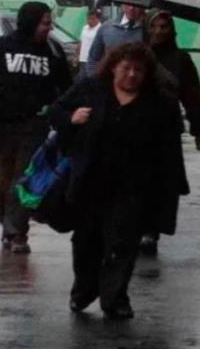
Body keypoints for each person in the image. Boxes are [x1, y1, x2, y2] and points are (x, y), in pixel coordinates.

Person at [51, 43, 188, 319]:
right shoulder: (91, 89)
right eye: (126, 68)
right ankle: (84, 290)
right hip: (90, 182)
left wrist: (171, 187)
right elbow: (56, 111)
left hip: (133, 187)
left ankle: (115, 298)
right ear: (113, 67)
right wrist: (71, 118)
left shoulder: (159, 102)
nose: (132, 75)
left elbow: (170, 149)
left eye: (139, 70)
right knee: (85, 243)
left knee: (123, 244)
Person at [0, 1, 73, 254]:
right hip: (0, 124)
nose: (49, 27)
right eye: (45, 22)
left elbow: (68, 89)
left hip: (34, 124)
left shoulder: (53, 53)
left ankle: (17, 232)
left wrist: (60, 114)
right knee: (0, 177)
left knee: (22, 177)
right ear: (31, 23)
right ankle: (7, 223)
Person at [141, 11, 200, 256]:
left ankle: (152, 230)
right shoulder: (136, 56)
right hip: (135, 129)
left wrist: (199, 129)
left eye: (164, 27)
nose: (159, 31)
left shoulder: (180, 59)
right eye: (154, 26)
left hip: (166, 131)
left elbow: (193, 96)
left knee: (163, 183)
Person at [85, 3, 146, 75]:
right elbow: (93, 58)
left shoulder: (147, 30)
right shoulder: (107, 27)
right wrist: (93, 80)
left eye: (135, 4)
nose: (131, 8)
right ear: (123, 4)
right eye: (128, 3)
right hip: (106, 81)